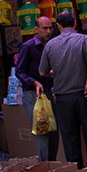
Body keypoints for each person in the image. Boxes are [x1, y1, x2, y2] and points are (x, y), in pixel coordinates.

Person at [39, 11, 87, 169]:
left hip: (63, 99)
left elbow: (42, 72)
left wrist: (54, 72)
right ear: (75, 23)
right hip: (84, 95)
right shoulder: (85, 39)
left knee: (70, 140)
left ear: (58, 26)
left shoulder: (50, 45)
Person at [15, 17, 59, 162]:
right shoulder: (29, 46)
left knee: (53, 132)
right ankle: (44, 168)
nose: (48, 31)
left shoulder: (51, 46)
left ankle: (51, 165)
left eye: (50, 28)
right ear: (36, 29)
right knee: (42, 133)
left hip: (47, 92)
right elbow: (19, 71)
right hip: (33, 94)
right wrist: (34, 82)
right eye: (44, 28)